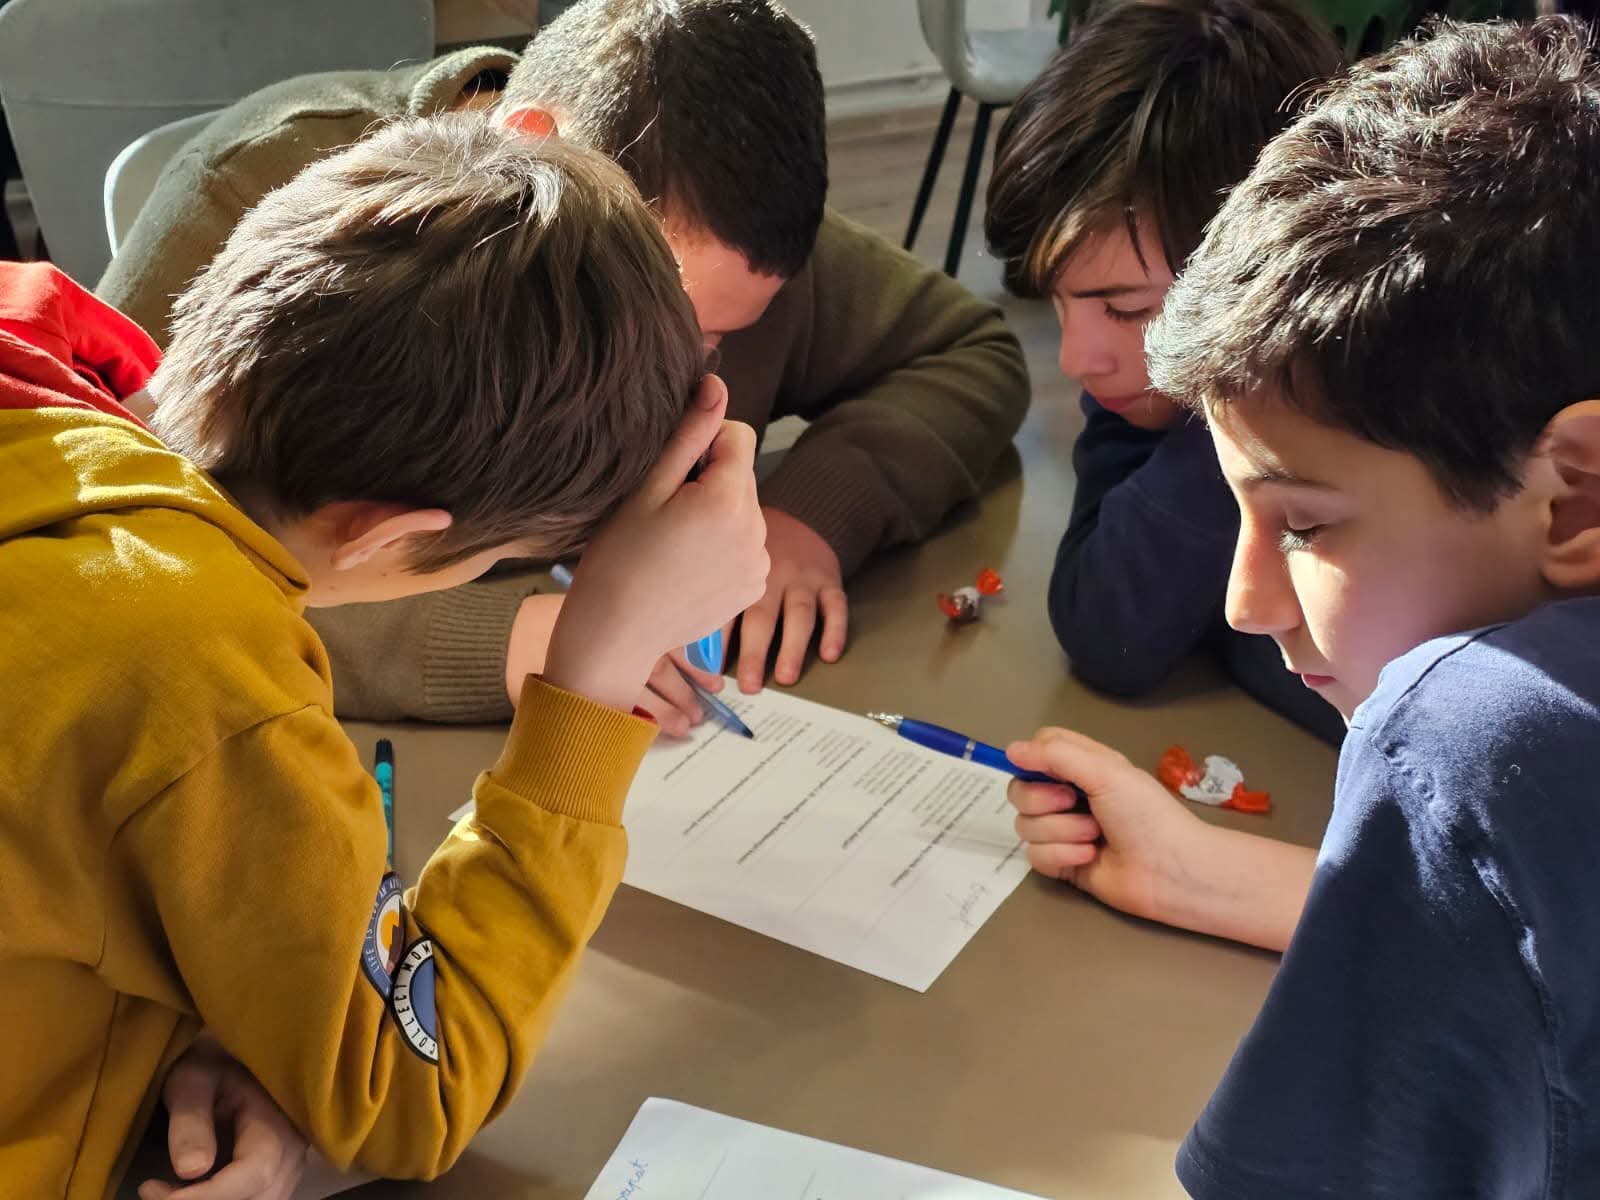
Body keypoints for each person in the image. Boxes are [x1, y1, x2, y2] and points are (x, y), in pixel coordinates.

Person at [0, 116, 768, 1196]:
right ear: (382, 536)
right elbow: (413, 1095)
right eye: (494, 561)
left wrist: (228, 1025)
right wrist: (594, 675)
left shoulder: (38, 360)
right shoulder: (197, 672)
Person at [1005, 16, 1600, 1192]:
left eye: (1303, 526)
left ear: (1574, 496)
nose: (1244, 601)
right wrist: (1201, 875)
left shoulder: (1482, 733)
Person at [97, 0, 1030, 735]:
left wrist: (811, 517)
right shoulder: (275, 205)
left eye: (717, 341)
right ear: (535, 143)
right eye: (669, 319)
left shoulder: (722, 225)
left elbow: (968, 351)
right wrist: (514, 641)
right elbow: (134, 562)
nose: (679, 378)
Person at [984, 0, 1346, 743]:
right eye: (1058, 301)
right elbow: (1107, 628)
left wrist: (1266, 386)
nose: (1075, 359)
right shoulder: (1153, 395)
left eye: (1124, 309)